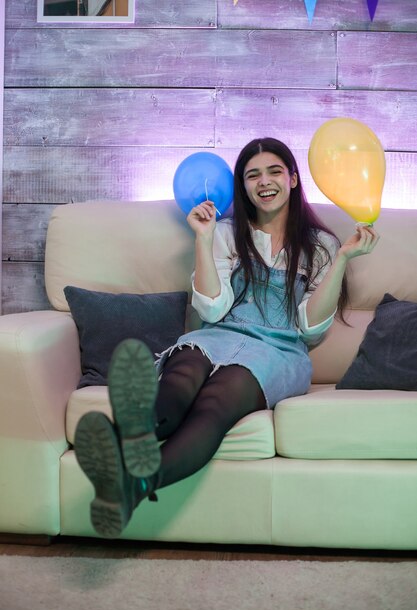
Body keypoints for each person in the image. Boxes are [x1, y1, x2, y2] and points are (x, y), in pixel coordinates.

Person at [74, 137, 379, 538]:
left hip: (278, 350)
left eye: (273, 171)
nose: (263, 182)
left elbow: (309, 328)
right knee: (181, 379)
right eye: (252, 175)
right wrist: (202, 238)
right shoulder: (224, 233)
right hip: (217, 334)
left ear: (292, 179)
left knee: (214, 403)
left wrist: (342, 259)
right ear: (243, 186)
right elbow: (213, 310)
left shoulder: (322, 246)